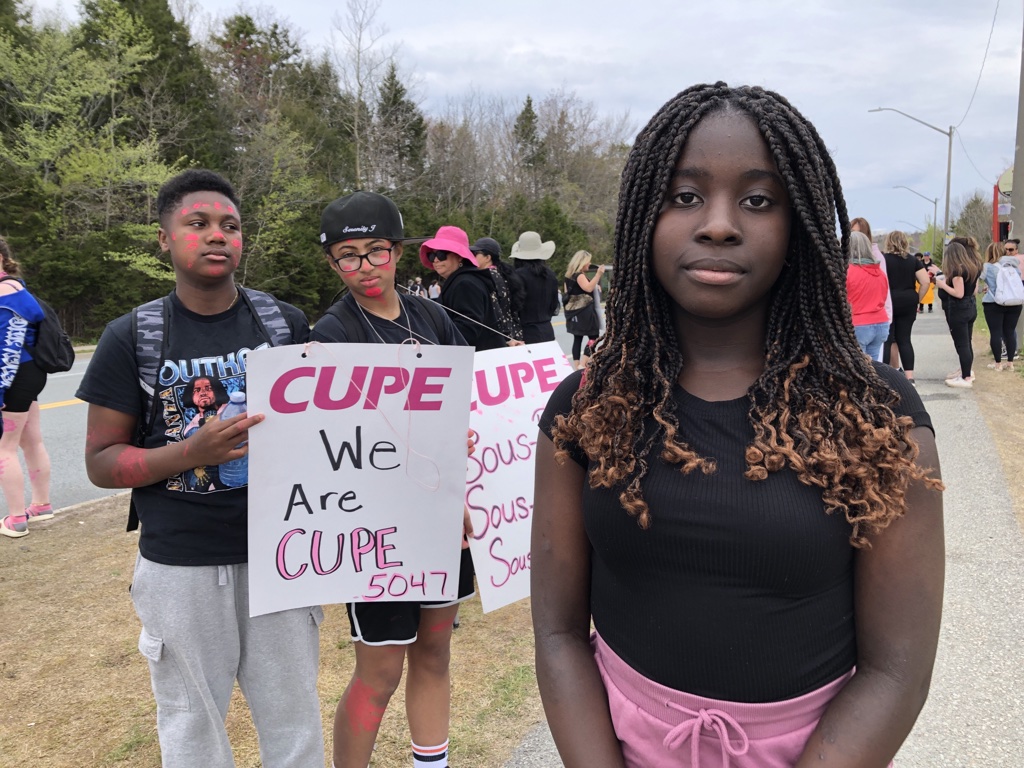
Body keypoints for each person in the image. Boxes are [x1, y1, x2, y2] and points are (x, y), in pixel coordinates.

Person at [533, 83, 943, 768]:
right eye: (685, 196)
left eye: (758, 200)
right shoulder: (585, 408)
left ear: (801, 226)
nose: (718, 224)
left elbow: (896, 674)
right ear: (641, 220)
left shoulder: (879, 416)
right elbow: (558, 633)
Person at [76, 169, 324, 767]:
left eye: (230, 225)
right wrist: (191, 453)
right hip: (180, 565)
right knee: (193, 728)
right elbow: (101, 463)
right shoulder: (131, 336)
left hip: (281, 557)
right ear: (165, 239)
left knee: (295, 723)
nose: (218, 235)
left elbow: (332, 432)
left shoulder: (285, 325)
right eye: (199, 223)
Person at [309, 190, 474, 768]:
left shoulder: (431, 316)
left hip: (440, 515)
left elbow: (462, 406)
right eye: (347, 256)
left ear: (398, 251)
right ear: (332, 262)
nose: (365, 268)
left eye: (376, 250)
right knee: (379, 668)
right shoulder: (329, 335)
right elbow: (329, 445)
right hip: (376, 527)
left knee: (434, 651)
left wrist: (467, 454)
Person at [0, 237, 52, 539]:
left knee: (3, 447)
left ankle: (16, 519)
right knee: (31, 440)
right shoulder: (18, 289)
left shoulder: (4, 296)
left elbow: (6, 351)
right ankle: (41, 504)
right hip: (29, 372)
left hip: (14, 375)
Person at [423, 226, 512, 351]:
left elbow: (468, 329)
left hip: (478, 361)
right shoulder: (463, 280)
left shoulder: (465, 283)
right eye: (432, 256)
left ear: (459, 256)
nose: (436, 260)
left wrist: (433, 341)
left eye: (441, 254)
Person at [881, 231, 929, 384]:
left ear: (888, 242)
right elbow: (925, 282)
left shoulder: (883, 260)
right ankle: (910, 377)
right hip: (908, 301)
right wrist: (917, 299)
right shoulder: (913, 261)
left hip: (889, 302)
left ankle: (886, 376)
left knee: (887, 340)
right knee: (905, 339)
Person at [937, 237, 982, 388]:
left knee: (962, 344)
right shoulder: (973, 268)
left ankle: (966, 377)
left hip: (959, 308)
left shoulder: (958, 271)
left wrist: (942, 284)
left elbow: (958, 293)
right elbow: (974, 291)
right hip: (971, 306)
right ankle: (966, 371)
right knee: (967, 342)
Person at [847, 231, 890, 361]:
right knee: (875, 368)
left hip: (858, 324)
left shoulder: (847, 271)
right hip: (881, 323)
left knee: (858, 368)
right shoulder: (879, 272)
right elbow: (883, 298)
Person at [471, 236, 524, 341]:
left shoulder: (488, 276)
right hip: (513, 330)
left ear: (487, 258)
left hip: (501, 335)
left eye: (476, 254)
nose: (473, 256)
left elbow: (495, 309)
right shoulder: (502, 274)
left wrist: (505, 337)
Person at [511, 231, 560, 344]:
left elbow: (513, 308)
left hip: (524, 333)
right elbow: (554, 306)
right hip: (547, 331)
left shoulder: (517, 276)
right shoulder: (550, 275)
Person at [980, 241, 1021, 371]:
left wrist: (984, 288)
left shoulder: (987, 267)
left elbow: (978, 279)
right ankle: (1010, 363)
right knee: (1010, 332)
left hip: (993, 302)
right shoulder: (1013, 267)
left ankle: (998, 363)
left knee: (996, 332)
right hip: (1014, 302)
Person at [563, 250, 605, 369]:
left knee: (578, 337)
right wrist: (598, 275)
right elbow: (587, 288)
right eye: (588, 261)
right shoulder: (580, 275)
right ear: (582, 262)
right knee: (594, 336)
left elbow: (570, 292)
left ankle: (576, 366)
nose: (589, 263)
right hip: (584, 310)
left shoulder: (569, 275)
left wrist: (594, 285)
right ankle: (583, 363)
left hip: (573, 310)